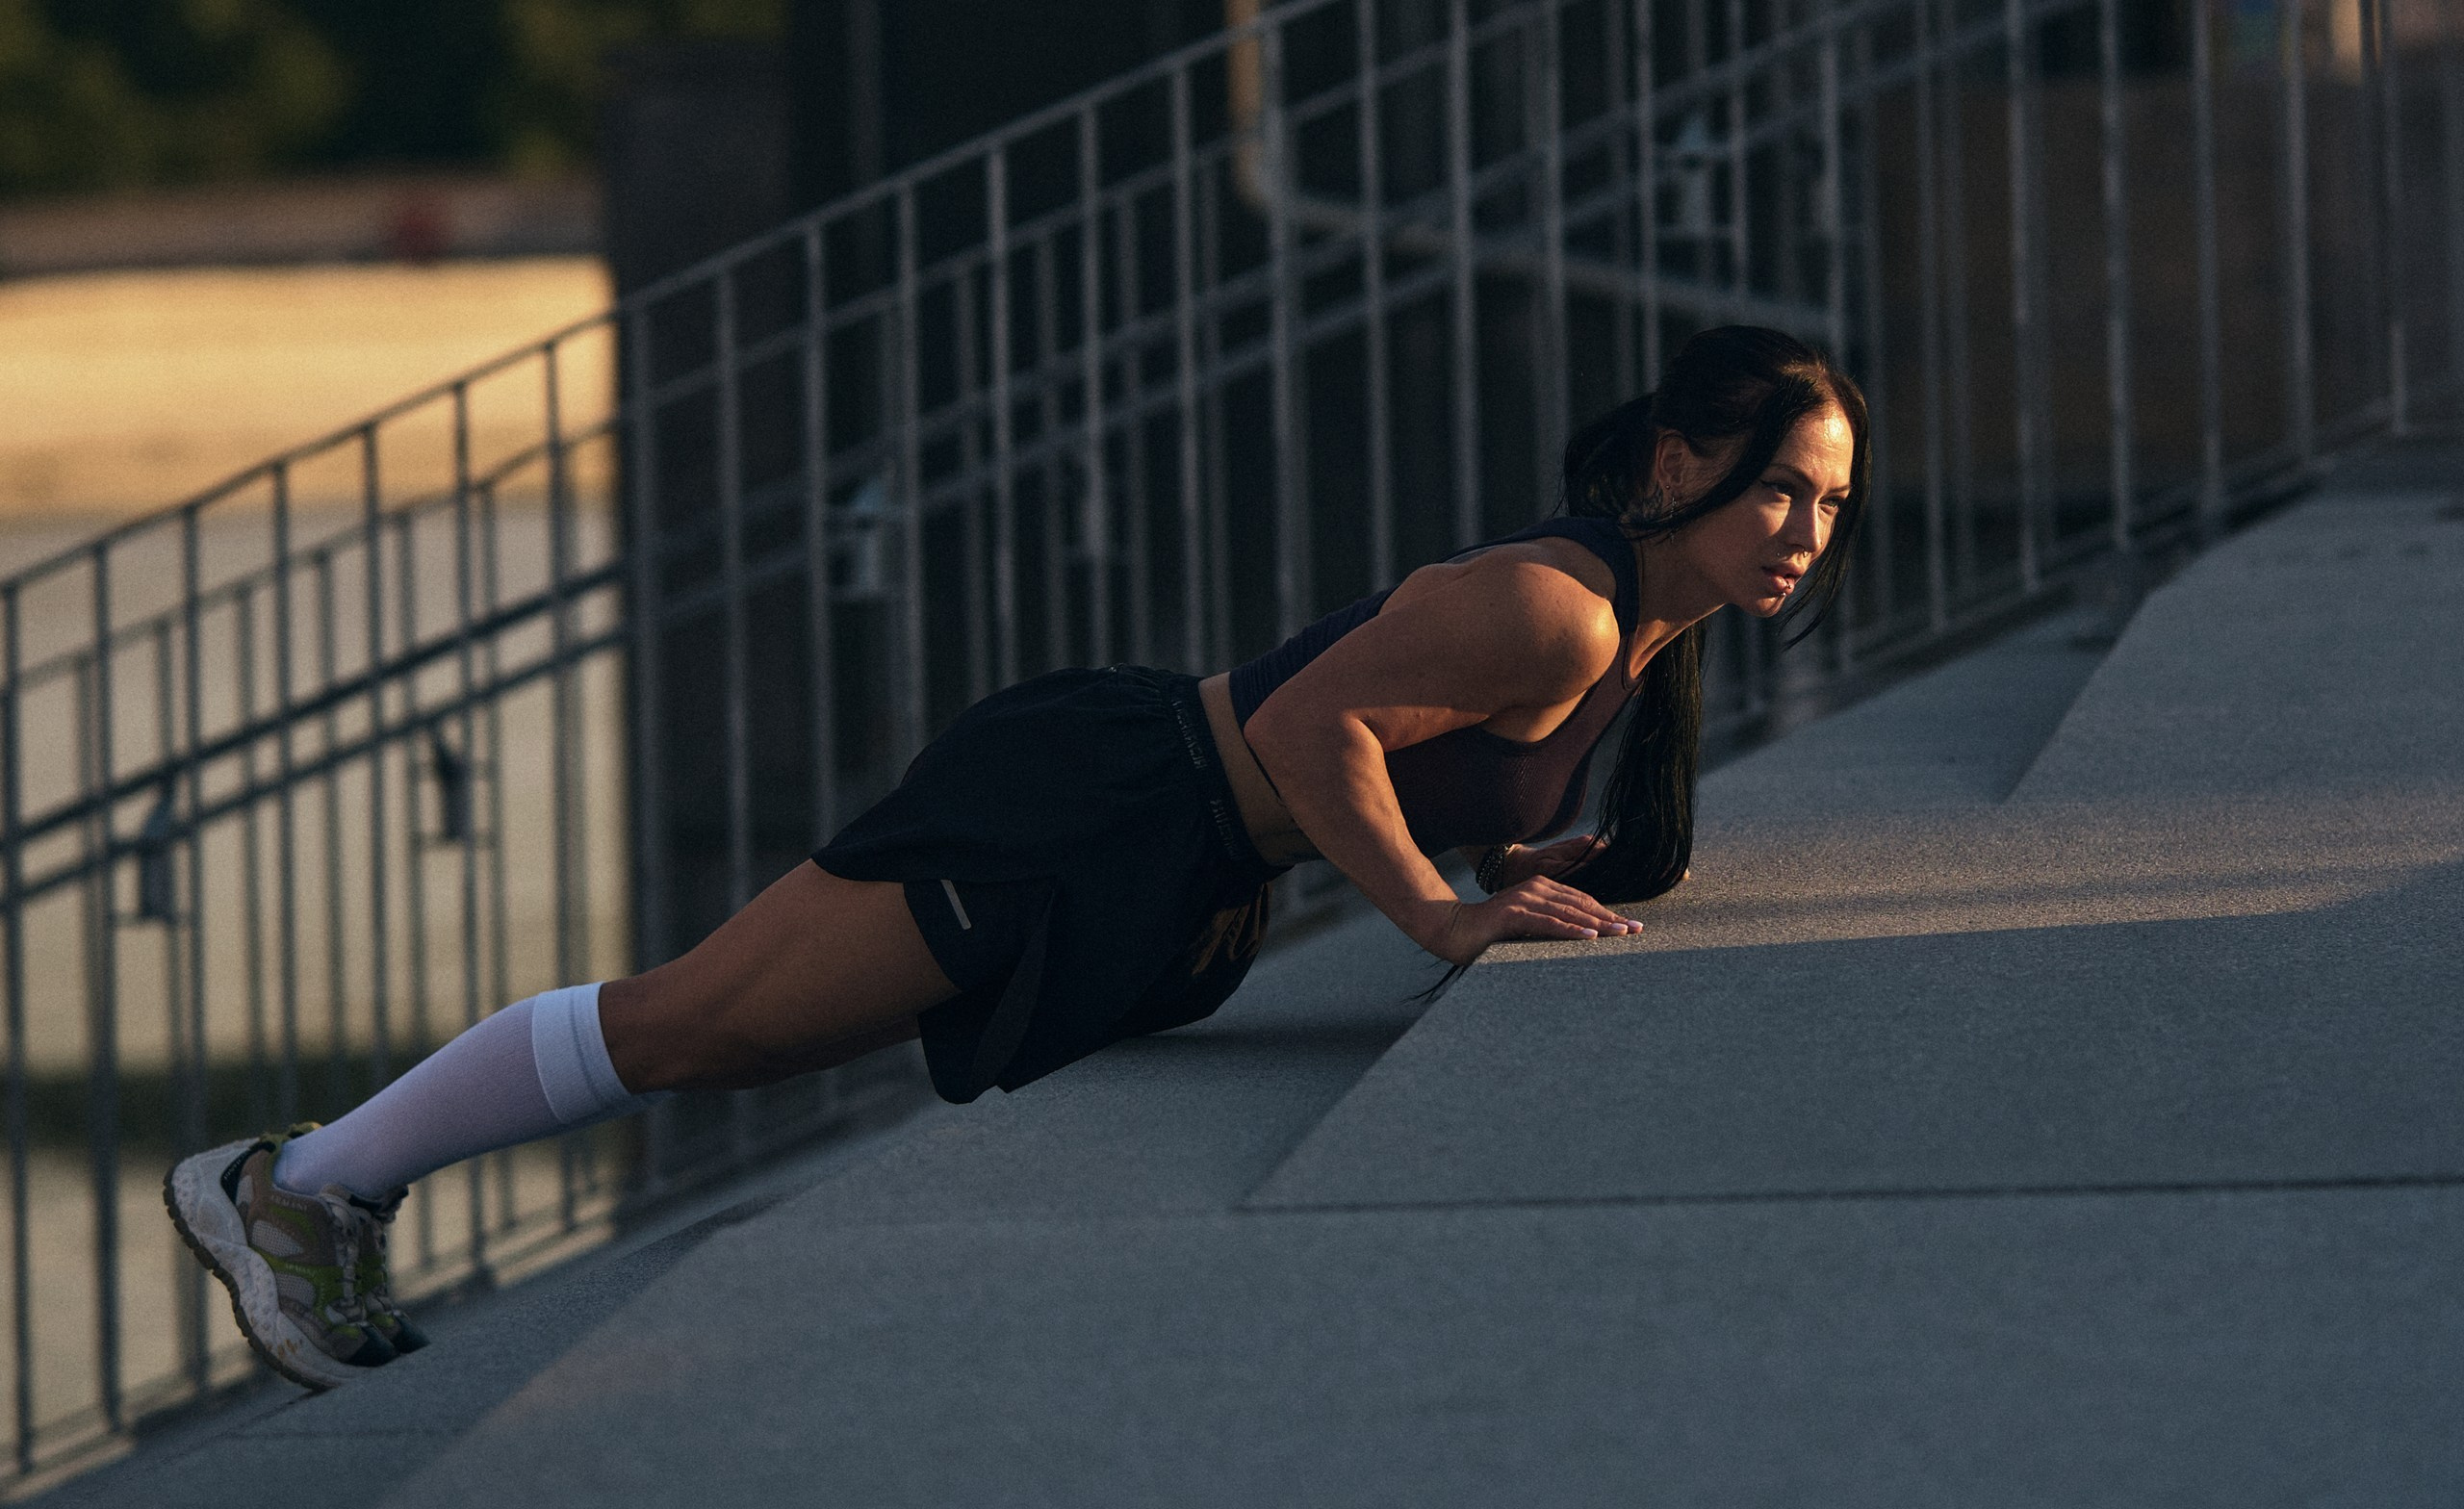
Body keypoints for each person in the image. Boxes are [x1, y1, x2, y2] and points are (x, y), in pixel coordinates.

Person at [167, 323, 1864, 1390]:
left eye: (1833, 506)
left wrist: (1500, 856)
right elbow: (1306, 731)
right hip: (1096, 806)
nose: (1804, 533)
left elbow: (1413, 748)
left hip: (1159, 859)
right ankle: (294, 1188)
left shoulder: (1643, 628)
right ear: (1674, 464)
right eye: (1781, 490)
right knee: (694, 1024)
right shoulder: (1560, 605)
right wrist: (1430, 912)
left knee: (740, 1046)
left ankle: (325, 1182)